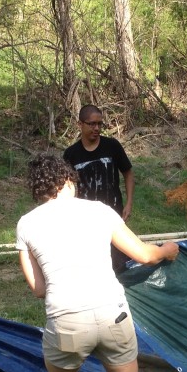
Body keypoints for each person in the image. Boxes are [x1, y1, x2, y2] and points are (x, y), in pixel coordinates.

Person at [15, 154, 187, 372]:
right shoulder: (100, 211)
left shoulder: (27, 224)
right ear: (68, 181)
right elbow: (145, 255)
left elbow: (37, 288)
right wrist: (167, 250)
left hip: (68, 320)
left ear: (38, 189)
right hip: (112, 314)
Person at [63, 104, 135, 272]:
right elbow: (65, 186)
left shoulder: (112, 147)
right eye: (92, 124)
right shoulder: (71, 154)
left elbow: (128, 173)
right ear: (80, 124)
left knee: (118, 264)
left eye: (100, 124)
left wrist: (129, 203)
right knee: (90, 265)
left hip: (114, 216)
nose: (97, 128)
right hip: (85, 220)